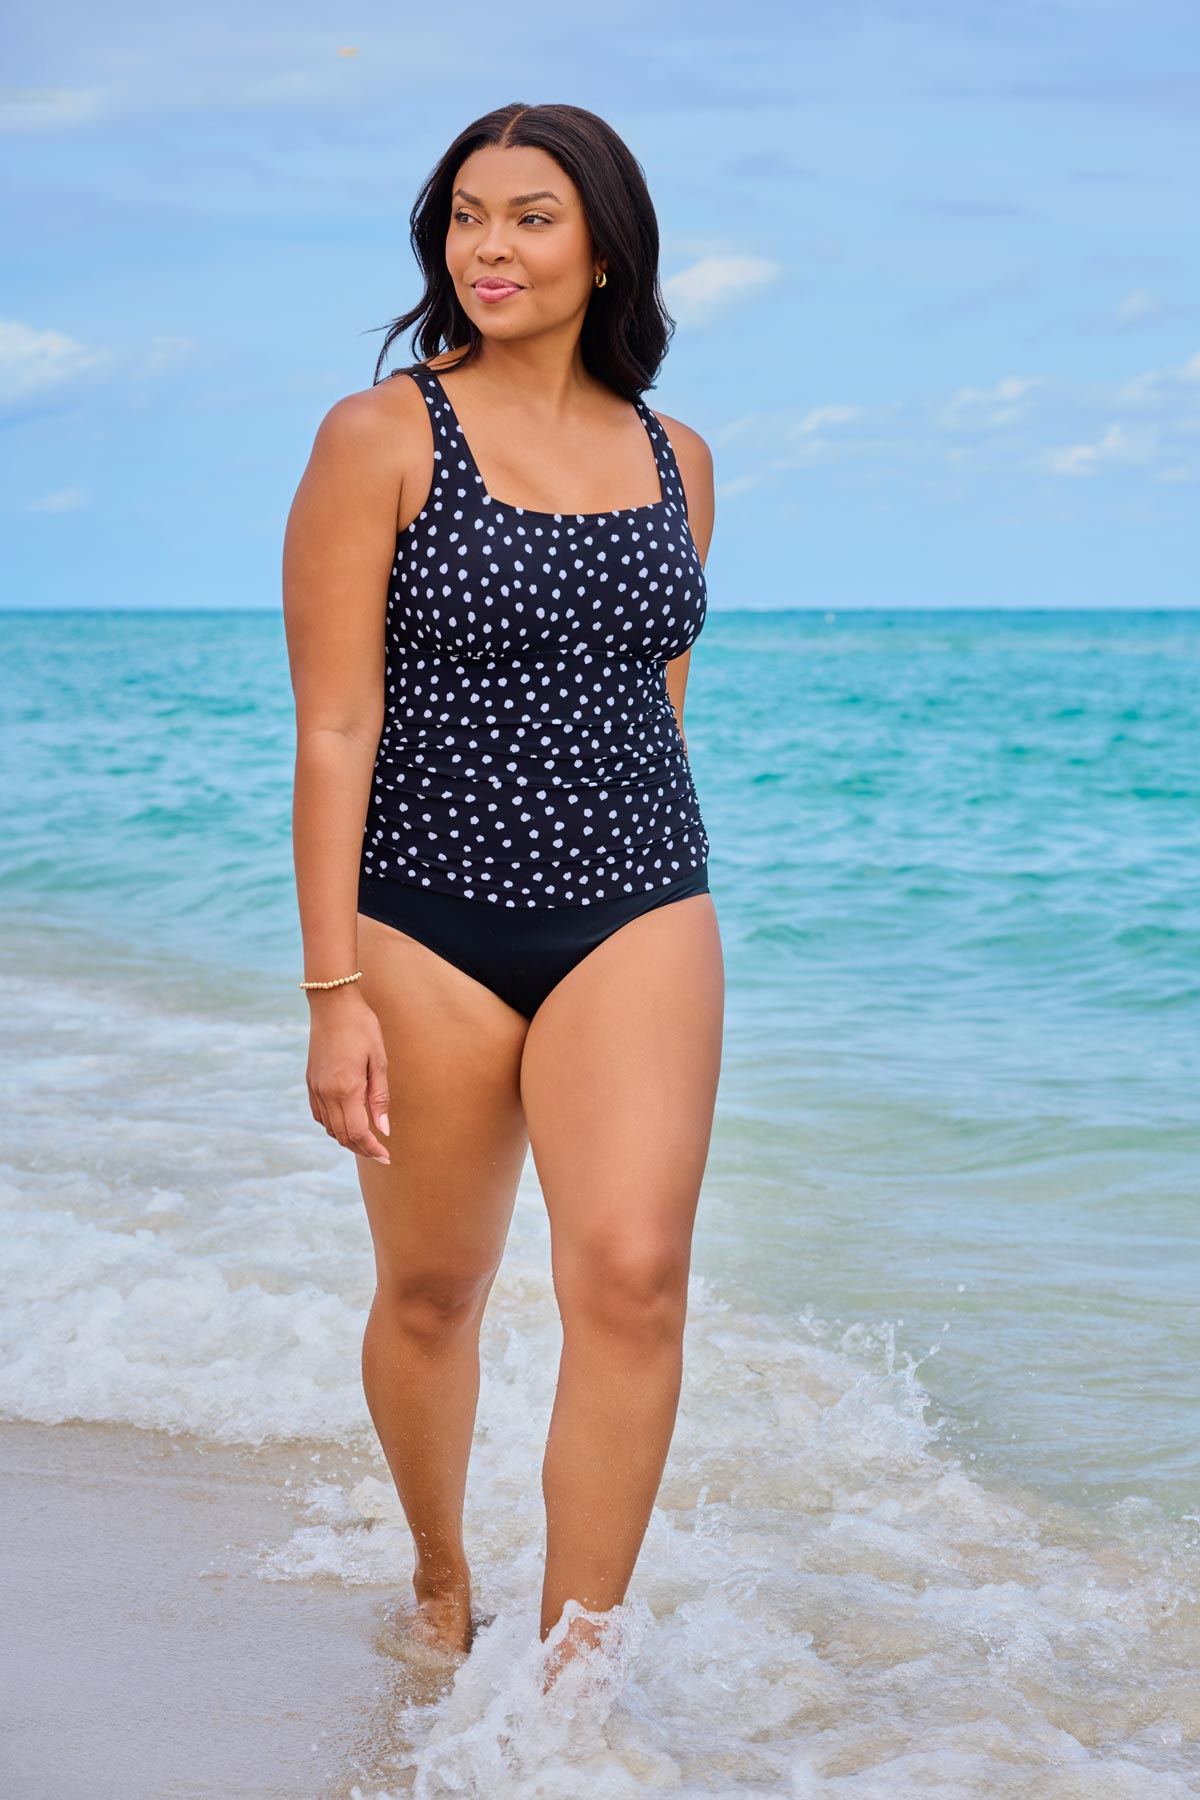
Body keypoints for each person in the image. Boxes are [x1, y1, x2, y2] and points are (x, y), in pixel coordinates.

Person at [282, 101, 724, 1690]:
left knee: (634, 1278)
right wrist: (333, 990)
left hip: (639, 904)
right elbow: (336, 727)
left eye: (532, 216)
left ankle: (571, 1679)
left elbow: (656, 701)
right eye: (468, 215)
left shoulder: (678, 460)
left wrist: (648, 873)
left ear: (604, 247)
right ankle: (441, 1573)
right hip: (424, 918)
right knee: (432, 1291)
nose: (491, 246)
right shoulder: (381, 437)